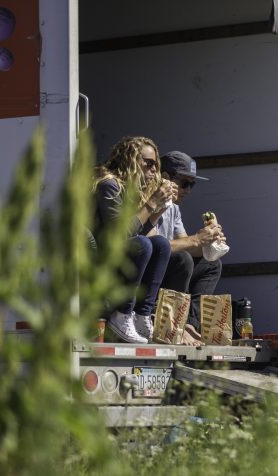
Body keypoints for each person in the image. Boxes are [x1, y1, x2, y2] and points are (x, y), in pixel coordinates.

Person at [93, 136, 178, 343]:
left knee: (161, 244)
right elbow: (121, 234)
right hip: (99, 260)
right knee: (143, 245)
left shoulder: (131, 190)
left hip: (120, 257)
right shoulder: (109, 185)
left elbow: (140, 229)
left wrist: (158, 209)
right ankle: (122, 314)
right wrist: (152, 203)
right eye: (148, 163)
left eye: (155, 165)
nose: (153, 169)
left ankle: (142, 314)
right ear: (130, 160)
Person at [148, 151, 226, 346]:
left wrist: (210, 243)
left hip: (166, 269)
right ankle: (173, 325)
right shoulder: (150, 200)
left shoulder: (174, 208)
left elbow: (187, 244)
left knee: (211, 264)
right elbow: (156, 245)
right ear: (165, 177)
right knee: (182, 259)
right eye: (185, 183)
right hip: (147, 273)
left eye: (192, 184)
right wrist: (196, 239)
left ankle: (189, 324)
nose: (188, 190)